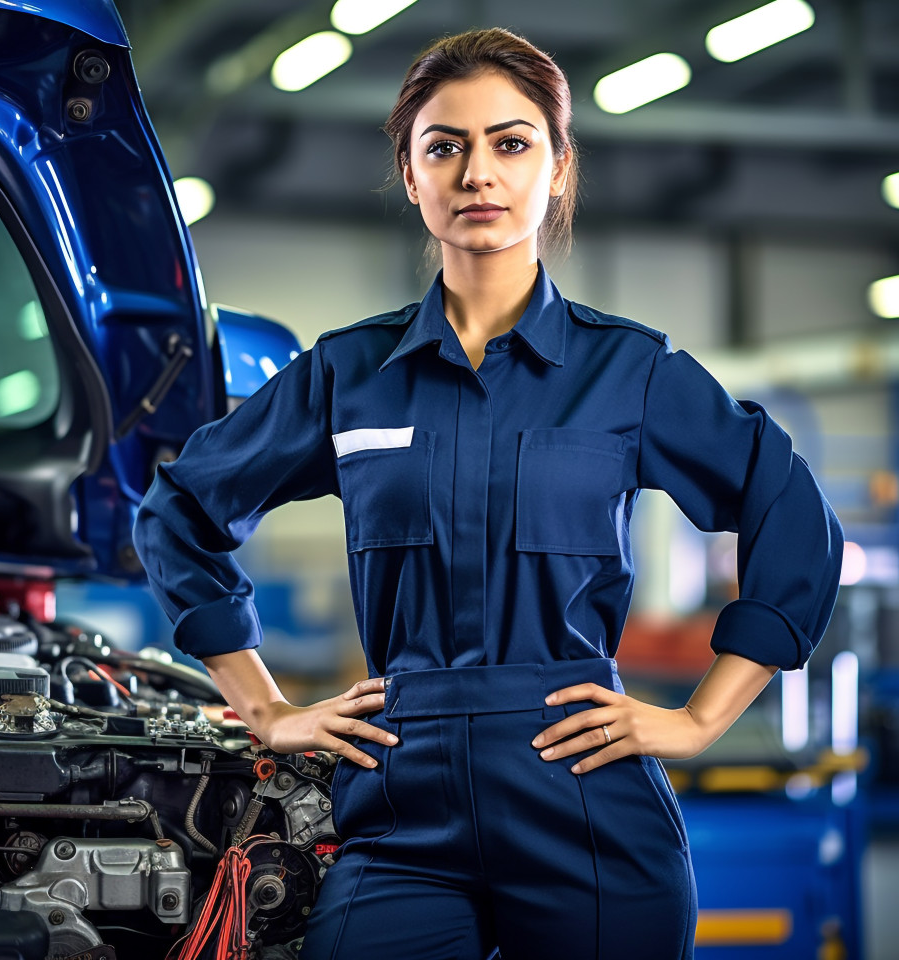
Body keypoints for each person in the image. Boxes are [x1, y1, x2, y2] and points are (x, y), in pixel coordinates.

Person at [133, 27, 843, 960]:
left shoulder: (628, 370)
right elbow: (178, 510)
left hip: (584, 798)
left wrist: (702, 716)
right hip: (400, 804)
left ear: (557, 169)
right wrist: (264, 706)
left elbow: (791, 510)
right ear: (410, 170)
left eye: (511, 143)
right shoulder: (350, 374)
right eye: (445, 145)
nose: (478, 172)